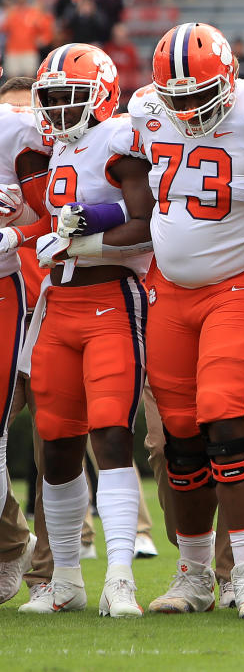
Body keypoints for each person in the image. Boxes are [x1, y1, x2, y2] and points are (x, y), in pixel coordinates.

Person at [122, 22, 244, 619]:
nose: (190, 109)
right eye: (179, 98)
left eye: (200, 95)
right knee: (179, 437)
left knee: (227, 416)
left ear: (230, 79)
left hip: (243, 283)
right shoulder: (146, 109)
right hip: (169, 290)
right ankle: (193, 575)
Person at [13, 44, 153, 617]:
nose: (60, 110)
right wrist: (26, 236)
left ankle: (119, 573)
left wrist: (86, 232)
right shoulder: (52, 151)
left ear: (101, 96)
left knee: (111, 436)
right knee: (57, 443)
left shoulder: (117, 140)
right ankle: (65, 576)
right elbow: (50, 220)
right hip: (58, 307)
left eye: (72, 98)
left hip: (111, 299)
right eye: (51, 100)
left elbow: (149, 218)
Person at [0, 74, 51, 604]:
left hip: (53, 306)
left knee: (55, 444)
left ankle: (49, 572)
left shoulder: (53, 152)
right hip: (8, 308)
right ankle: (15, 541)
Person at [1, 0, 54, 78]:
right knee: (12, 79)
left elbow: (45, 28)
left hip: (29, 50)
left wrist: (44, 39)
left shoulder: (33, 13)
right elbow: (4, 28)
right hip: (13, 50)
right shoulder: (12, 13)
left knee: (29, 78)